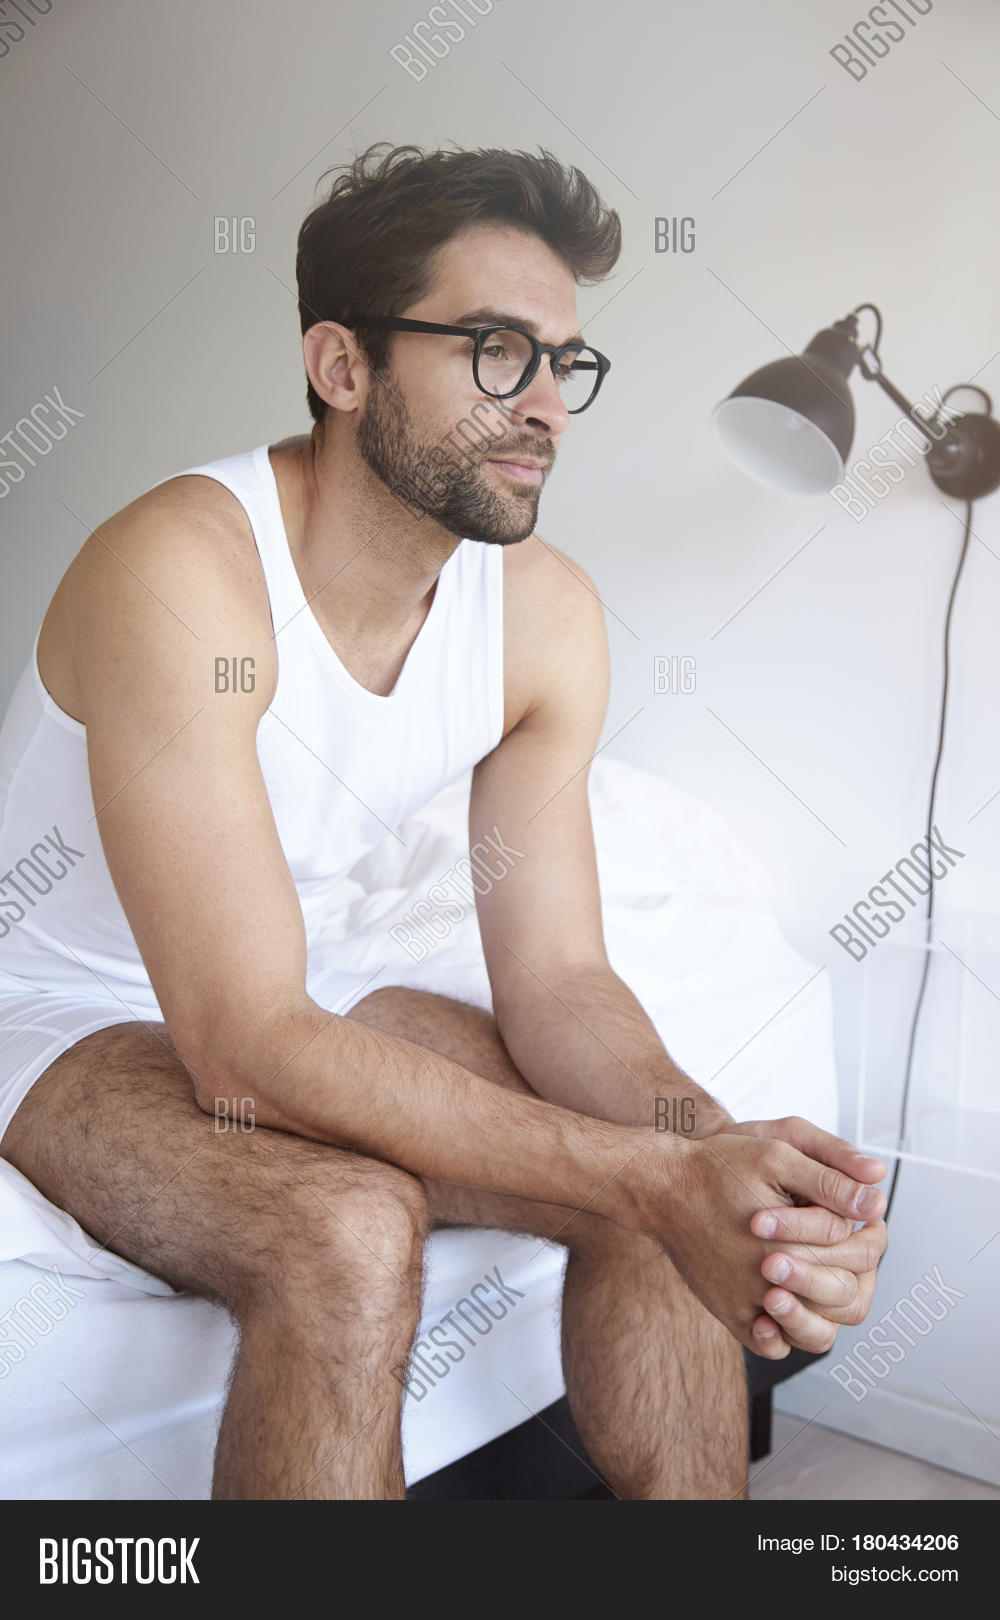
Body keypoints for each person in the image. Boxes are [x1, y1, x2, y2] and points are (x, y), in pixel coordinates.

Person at [0, 143, 886, 1499]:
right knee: (350, 1233)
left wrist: (707, 1158)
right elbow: (241, 1048)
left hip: (309, 983)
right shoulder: (183, 574)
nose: (547, 408)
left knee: (661, 1171)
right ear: (342, 368)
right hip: (65, 1020)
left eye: (563, 363)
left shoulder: (545, 615)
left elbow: (561, 979)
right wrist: (647, 1176)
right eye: (492, 351)